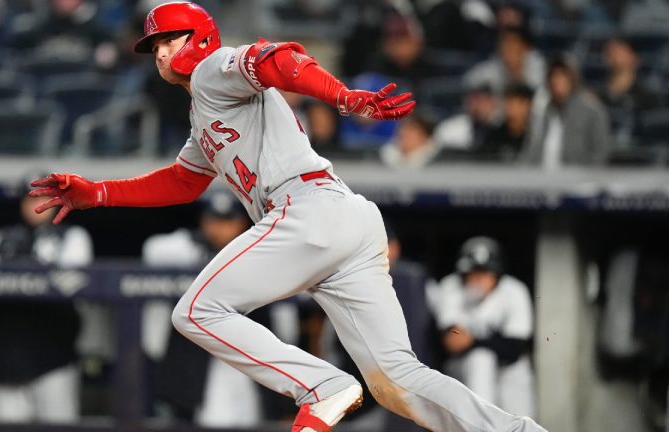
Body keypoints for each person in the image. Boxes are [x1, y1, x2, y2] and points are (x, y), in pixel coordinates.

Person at [29, 3, 545, 431]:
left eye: (171, 38)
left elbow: (278, 59)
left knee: (196, 311)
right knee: (396, 380)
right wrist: (99, 193)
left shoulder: (212, 69)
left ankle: (321, 386)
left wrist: (342, 96)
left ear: (201, 37)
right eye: (154, 46)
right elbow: (181, 181)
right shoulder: (204, 109)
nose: (161, 51)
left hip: (306, 209)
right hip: (347, 221)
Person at [142, 191, 295, 427]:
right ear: (203, 221)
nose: (220, 229)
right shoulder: (187, 250)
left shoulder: (260, 249)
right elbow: (153, 249)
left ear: (241, 222)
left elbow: (286, 321)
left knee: (252, 416)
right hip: (201, 359)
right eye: (214, 221)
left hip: (247, 358)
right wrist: (199, 250)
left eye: (228, 221)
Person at [0, 172, 91, 423]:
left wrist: (19, 267)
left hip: (55, 355)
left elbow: (72, 285)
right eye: (31, 199)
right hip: (7, 353)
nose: (37, 205)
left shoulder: (73, 237)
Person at [429, 237, 537, 418]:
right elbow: (452, 337)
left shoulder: (514, 291)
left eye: (485, 273)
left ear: (497, 275)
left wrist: (472, 340)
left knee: (520, 423)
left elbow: (514, 347)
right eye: (472, 272)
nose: (478, 279)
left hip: (510, 372)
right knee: (480, 359)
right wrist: (465, 337)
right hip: (464, 369)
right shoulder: (451, 287)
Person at [521, 55, 611, 169]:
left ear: (573, 79)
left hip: (578, 176)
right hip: (540, 176)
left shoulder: (592, 111)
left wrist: (586, 176)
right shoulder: (541, 111)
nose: (557, 81)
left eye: (562, 75)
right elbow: (531, 150)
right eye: (553, 76)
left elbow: (600, 153)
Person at [464, 26, 546, 95]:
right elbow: (468, 81)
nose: (507, 50)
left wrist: (516, 72)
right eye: (504, 45)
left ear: (524, 46)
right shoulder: (494, 64)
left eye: (512, 45)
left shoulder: (536, 62)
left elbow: (537, 92)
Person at [433, 80, 499, 151]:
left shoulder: (503, 126)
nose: (476, 105)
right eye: (473, 99)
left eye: (482, 99)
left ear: (493, 102)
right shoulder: (449, 129)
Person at [479, 82, 534, 162]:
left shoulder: (536, 136)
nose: (512, 108)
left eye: (519, 103)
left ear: (529, 105)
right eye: (508, 102)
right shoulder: (494, 136)